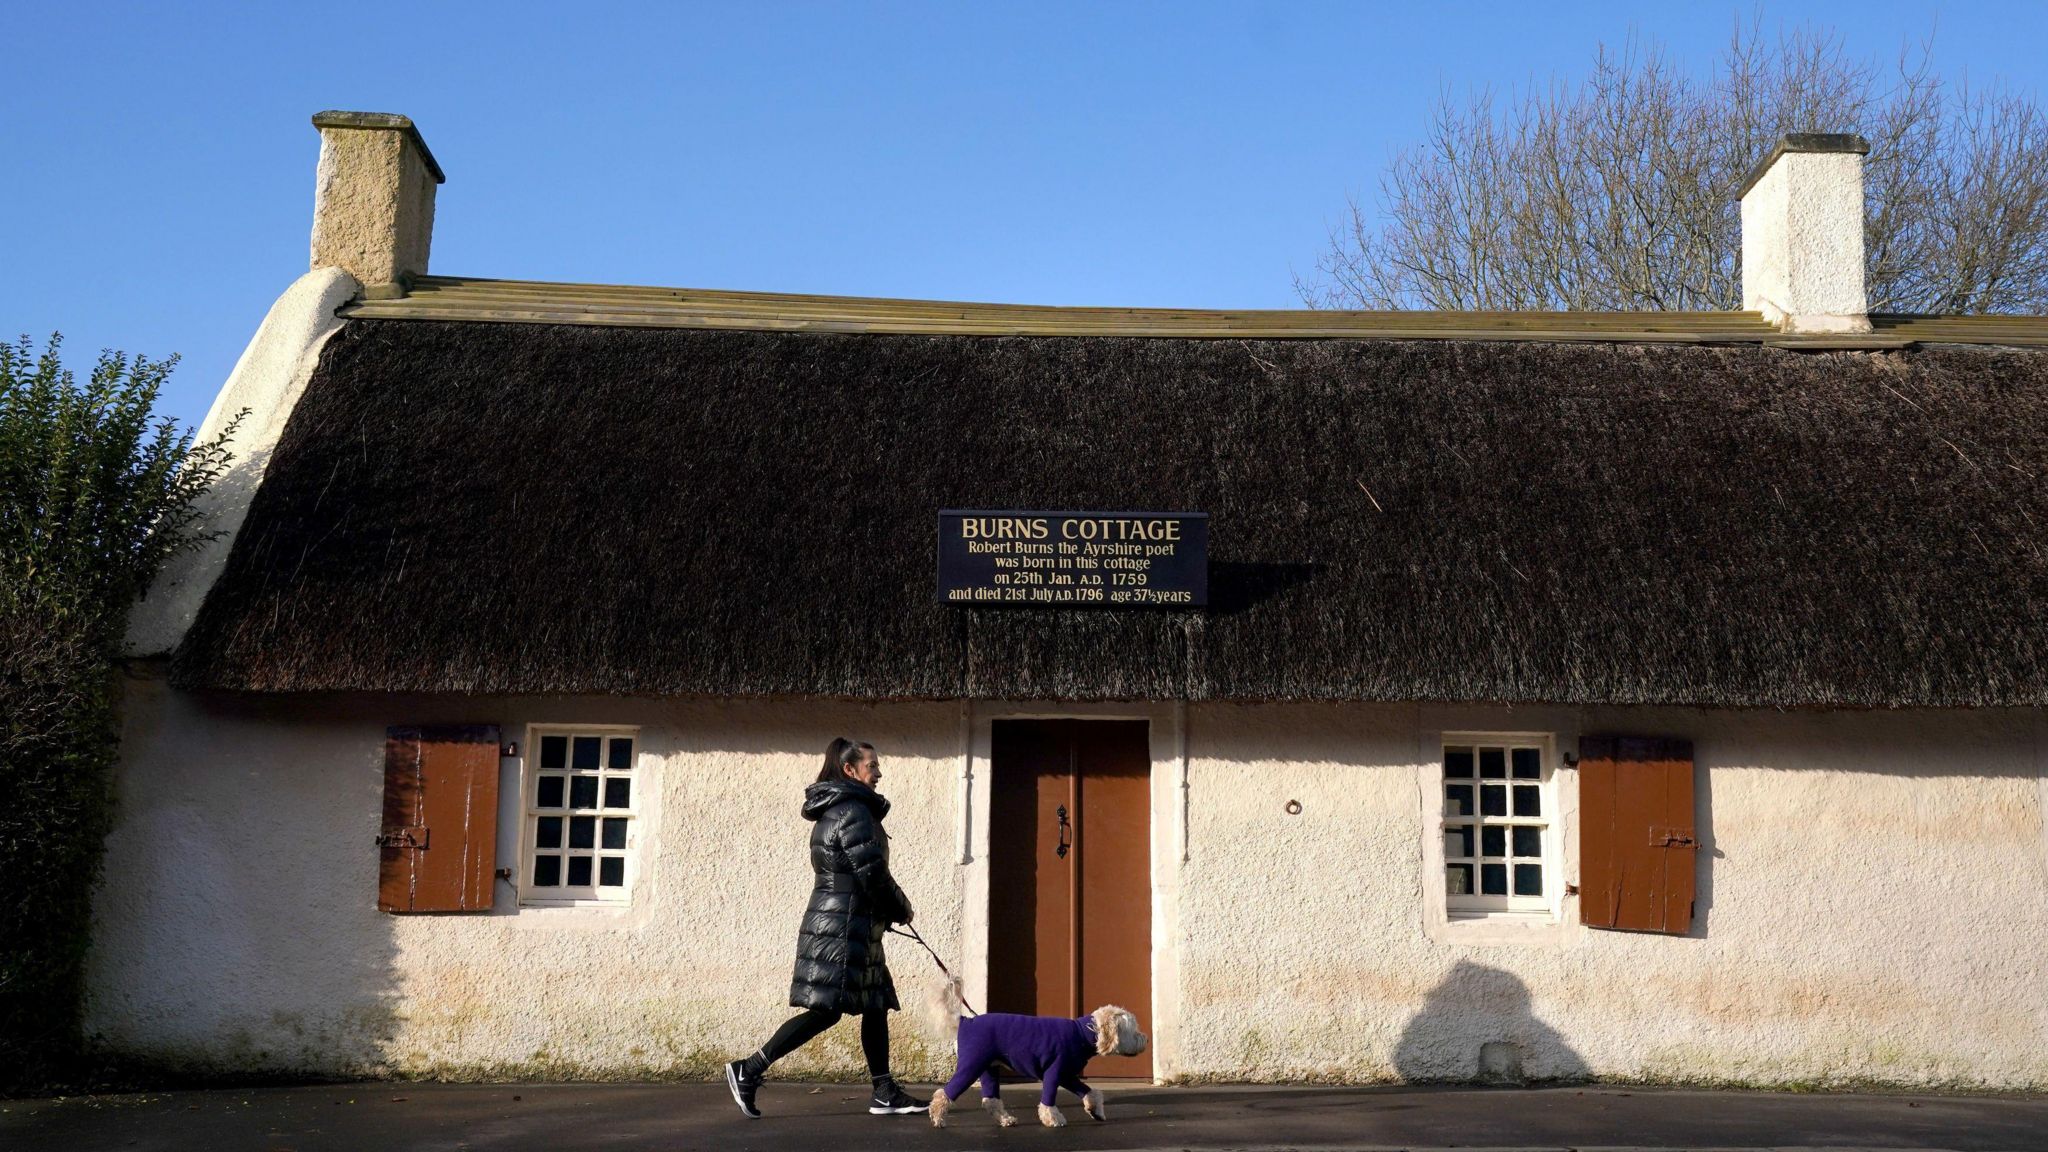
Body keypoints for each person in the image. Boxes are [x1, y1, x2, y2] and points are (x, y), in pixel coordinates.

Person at [726, 737, 926, 1117]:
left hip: (852, 925)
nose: (879, 772)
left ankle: (884, 1090)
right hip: (842, 927)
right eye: (872, 766)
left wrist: (888, 911)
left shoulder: (844, 809)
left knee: (875, 1002)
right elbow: (872, 873)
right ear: (850, 770)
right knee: (826, 1010)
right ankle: (748, 1069)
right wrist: (902, 908)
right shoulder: (852, 811)